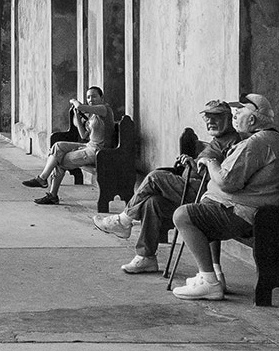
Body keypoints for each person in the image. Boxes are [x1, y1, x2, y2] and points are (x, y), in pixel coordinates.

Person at [92, 101, 240, 273]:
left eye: (216, 117)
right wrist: (190, 163)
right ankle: (146, 257)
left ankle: (123, 221)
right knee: (152, 203)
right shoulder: (218, 140)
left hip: (205, 197)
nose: (210, 121)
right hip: (190, 189)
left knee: (155, 177)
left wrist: (197, 167)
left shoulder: (234, 143)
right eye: (207, 117)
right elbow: (203, 168)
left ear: (229, 119)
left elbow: (222, 176)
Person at [170, 93, 279, 300]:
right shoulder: (274, 139)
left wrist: (210, 163)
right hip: (255, 209)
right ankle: (207, 275)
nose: (235, 116)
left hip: (244, 214)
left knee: (183, 215)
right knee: (200, 209)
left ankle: (210, 282)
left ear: (252, 119)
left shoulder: (257, 143)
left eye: (239, 112)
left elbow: (227, 181)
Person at [22, 86, 115, 205]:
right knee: (58, 146)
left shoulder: (104, 109)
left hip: (98, 151)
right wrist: (77, 117)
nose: (91, 99)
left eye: (94, 96)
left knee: (59, 161)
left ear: (101, 98)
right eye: (88, 97)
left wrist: (73, 101)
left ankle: (50, 192)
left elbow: (80, 106)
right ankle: (42, 179)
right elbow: (84, 135)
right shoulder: (92, 116)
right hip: (88, 146)